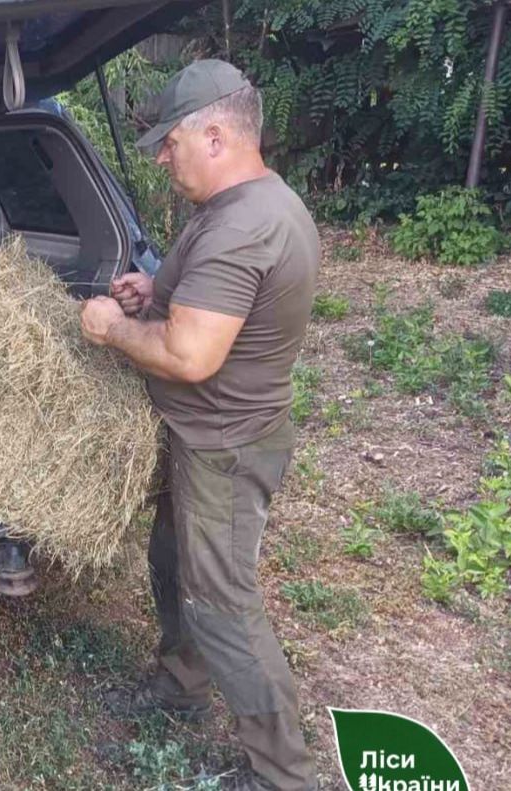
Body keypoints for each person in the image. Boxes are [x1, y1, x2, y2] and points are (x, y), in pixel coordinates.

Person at [79, 59, 320, 791]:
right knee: (173, 563)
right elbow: (211, 307)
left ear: (214, 135)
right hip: (207, 438)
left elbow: (188, 353)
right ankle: (182, 683)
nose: (160, 156)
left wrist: (111, 326)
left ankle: (283, 775)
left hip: (222, 448)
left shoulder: (241, 229)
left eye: (169, 143)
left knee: (223, 608)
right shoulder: (243, 208)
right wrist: (158, 288)